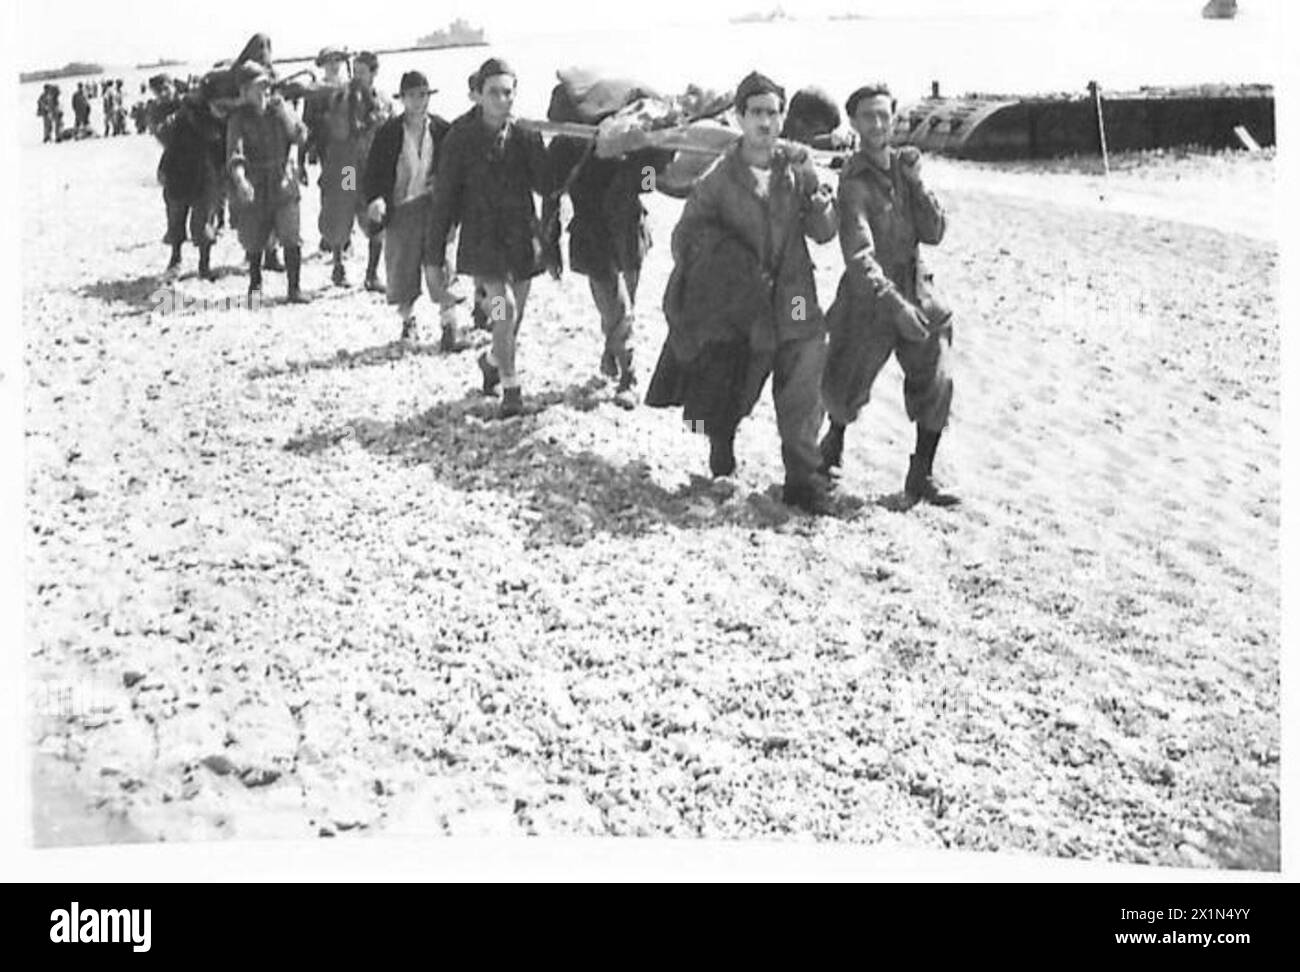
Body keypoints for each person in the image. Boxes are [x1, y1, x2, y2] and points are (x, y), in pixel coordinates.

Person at [645, 71, 838, 515]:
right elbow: (684, 239)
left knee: (804, 378)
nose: (765, 123)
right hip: (741, 309)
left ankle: (802, 479)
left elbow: (824, 233)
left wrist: (821, 199)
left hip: (792, 294)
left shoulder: (797, 170)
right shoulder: (718, 179)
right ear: (740, 116)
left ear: (783, 117)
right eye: (756, 113)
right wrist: (728, 265)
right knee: (733, 390)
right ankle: (721, 448)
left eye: (773, 113)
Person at [818, 83, 958, 507]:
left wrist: (916, 185)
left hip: (917, 290)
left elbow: (934, 233)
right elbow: (859, 256)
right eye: (868, 117)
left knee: (937, 381)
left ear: (894, 118)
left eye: (885, 115)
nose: (878, 125)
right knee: (844, 389)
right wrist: (893, 306)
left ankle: (922, 475)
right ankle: (830, 452)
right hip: (870, 302)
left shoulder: (905, 169)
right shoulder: (853, 183)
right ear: (855, 124)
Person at [428, 58, 556, 418]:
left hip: (521, 242)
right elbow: (444, 200)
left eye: (508, 92)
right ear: (478, 95)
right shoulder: (459, 138)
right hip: (484, 246)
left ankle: (491, 362)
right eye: (494, 92)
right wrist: (434, 258)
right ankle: (512, 391)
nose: (503, 100)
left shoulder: (526, 135)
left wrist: (558, 150)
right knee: (503, 309)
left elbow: (545, 185)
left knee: (512, 321)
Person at [545, 126, 672, 410]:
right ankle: (630, 375)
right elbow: (552, 193)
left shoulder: (634, 138)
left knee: (624, 304)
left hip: (628, 228)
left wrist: (646, 156)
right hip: (592, 233)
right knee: (614, 305)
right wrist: (550, 243)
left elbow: (649, 185)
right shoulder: (568, 143)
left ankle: (612, 349)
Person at [363, 70, 464, 347]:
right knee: (402, 268)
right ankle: (408, 322)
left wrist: (455, 207)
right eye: (411, 96)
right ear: (402, 99)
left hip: (434, 207)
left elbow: (456, 169)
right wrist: (374, 199)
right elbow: (369, 172)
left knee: (442, 264)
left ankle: (449, 323)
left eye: (422, 95)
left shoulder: (443, 129)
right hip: (401, 209)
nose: (418, 101)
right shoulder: (388, 133)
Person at [226, 61, 310, 303]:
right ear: (245, 91)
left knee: (291, 234)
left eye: (265, 85)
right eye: (257, 87)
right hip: (255, 182)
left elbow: (300, 135)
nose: (263, 91)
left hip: (283, 180)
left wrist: (286, 112)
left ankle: (294, 289)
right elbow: (235, 153)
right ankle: (255, 285)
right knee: (254, 237)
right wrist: (241, 180)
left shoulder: (279, 108)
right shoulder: (238, 119)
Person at [316, 50, 388, 290]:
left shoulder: (383, 101)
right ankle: (338, 265)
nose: (357, 76)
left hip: (373, 169)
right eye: (355, 71)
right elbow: (334, 131)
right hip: (348, 167)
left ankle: (372, 273)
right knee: (343, 208)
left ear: (374, 73)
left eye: (363, 72)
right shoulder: (342, 97)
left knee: (376, 218)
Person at [151, 85, 224, 280]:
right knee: (176, 219)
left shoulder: (208, 114)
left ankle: (204, 265)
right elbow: (165, 138)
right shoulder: (172, 114)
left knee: (203, 222)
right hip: (178, 170)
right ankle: (176, 260)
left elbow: (216, 136)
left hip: (203, 172)